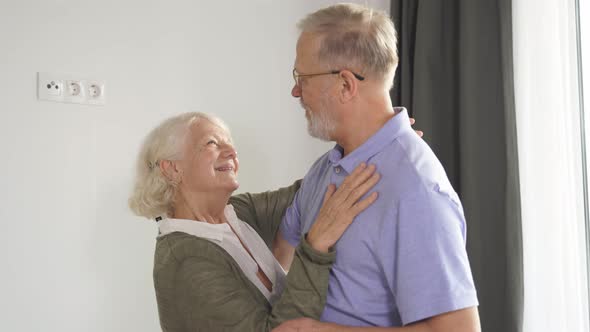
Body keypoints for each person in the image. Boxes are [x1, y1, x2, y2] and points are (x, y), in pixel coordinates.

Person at [273, 3, 481, 331]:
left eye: (303, 78)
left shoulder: (415, 189)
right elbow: (279, 252)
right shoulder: (325, 168)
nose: (296, 90)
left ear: (345, 84)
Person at [128, 112, 380, 331]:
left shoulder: (238, 212)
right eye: (211, 143)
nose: (232, 152)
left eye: (230, 144)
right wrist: (315, 246)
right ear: (172, 169)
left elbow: (313, 190)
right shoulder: (185, 260)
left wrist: (375, 143)